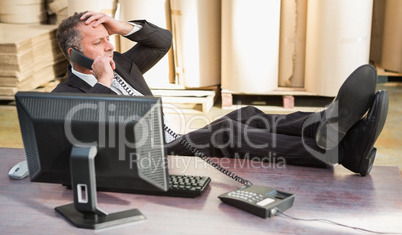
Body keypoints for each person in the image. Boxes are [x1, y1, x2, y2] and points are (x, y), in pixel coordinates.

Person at [52, 11, 389, 176]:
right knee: (226, 132)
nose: (109, 46)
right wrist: (103, 83)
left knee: (247, 114)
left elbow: (162, 41)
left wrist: (119, 26)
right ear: (74, 55)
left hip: (170, 139)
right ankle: (331, 146)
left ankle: (331, 133)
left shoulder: (123, 62)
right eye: (98, 42)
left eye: (108, 37)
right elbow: (102, 139)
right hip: (146, 159)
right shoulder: (64, 95)